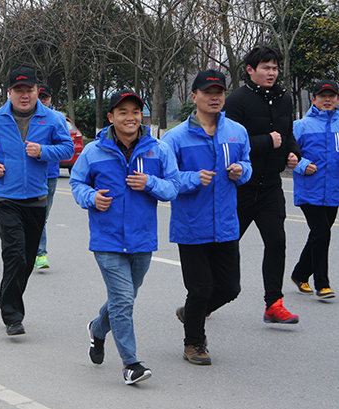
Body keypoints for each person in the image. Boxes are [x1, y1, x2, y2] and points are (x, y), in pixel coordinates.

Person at [70, 89, 179, 385]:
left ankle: (97, 329)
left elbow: (173, 187)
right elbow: (77, 182)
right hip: (107, 239)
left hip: (143, 239)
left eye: (135, 112)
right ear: (111, 117)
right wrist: (92, 198)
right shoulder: (94, 151)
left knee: (125, 298)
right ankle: (131, 364)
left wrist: (150, 183)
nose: (130, 118)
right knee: (122, 300)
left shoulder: (157, 149)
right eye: (123, 112)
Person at [0, 68, 73, 335]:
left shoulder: (52, 119)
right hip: (5, 197)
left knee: (25, 259)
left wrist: (43, 151)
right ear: (10, 92)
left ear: (37, 91)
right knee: (14, 254)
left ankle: (8, 300)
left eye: (29, 90)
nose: (24, 95)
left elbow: (68, 148)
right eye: (19, 90)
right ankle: (12, 314)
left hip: (37, 197)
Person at [162, 69, 253, 365]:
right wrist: (192, 178)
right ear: (194, 97)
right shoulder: (176, 137)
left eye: (219, 93)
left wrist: (242, 171)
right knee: (199, 288)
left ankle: (190, 315)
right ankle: (194, 343)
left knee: (229, 288)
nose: (214, 97)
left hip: (226, 223)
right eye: (208, 92)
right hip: (191, 224)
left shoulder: (236, 132)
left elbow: (247, 164)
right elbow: (166, 179)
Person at [222, 46, 301, 323]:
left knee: (277, 241)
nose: (272, 72)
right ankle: (205, 300)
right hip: (242, 187)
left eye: (275, 67)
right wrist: (268, 141)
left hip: (270, 187)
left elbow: (287, 133)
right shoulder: (236, 101)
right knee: (228, 246)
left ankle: (273, 304)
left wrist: (293, 153)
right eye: (266, 67)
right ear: (250, 70)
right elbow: (229, 144)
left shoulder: (284, 98)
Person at [290, 80, 339, 300]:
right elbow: (288, 154)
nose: (327, 100)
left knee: (318, 235)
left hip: (334, 191)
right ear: (314, 99)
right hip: (310, 191)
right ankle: (323, 284)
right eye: (322, 96)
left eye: (332, 96)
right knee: (322, 233)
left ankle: (300, 274)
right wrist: (301, 165)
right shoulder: (301, 125)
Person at [35, 84, 63, 269]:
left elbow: (64, 148)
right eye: (39, 97)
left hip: (50, 174)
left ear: (51, 99)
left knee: (41, 216)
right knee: (34, 215)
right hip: (30, 174)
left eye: (45, 97)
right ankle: (39, 252)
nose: (42, 101)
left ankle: (37, 252)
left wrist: (42, 151)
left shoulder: (57, 118)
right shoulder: (27, 116)